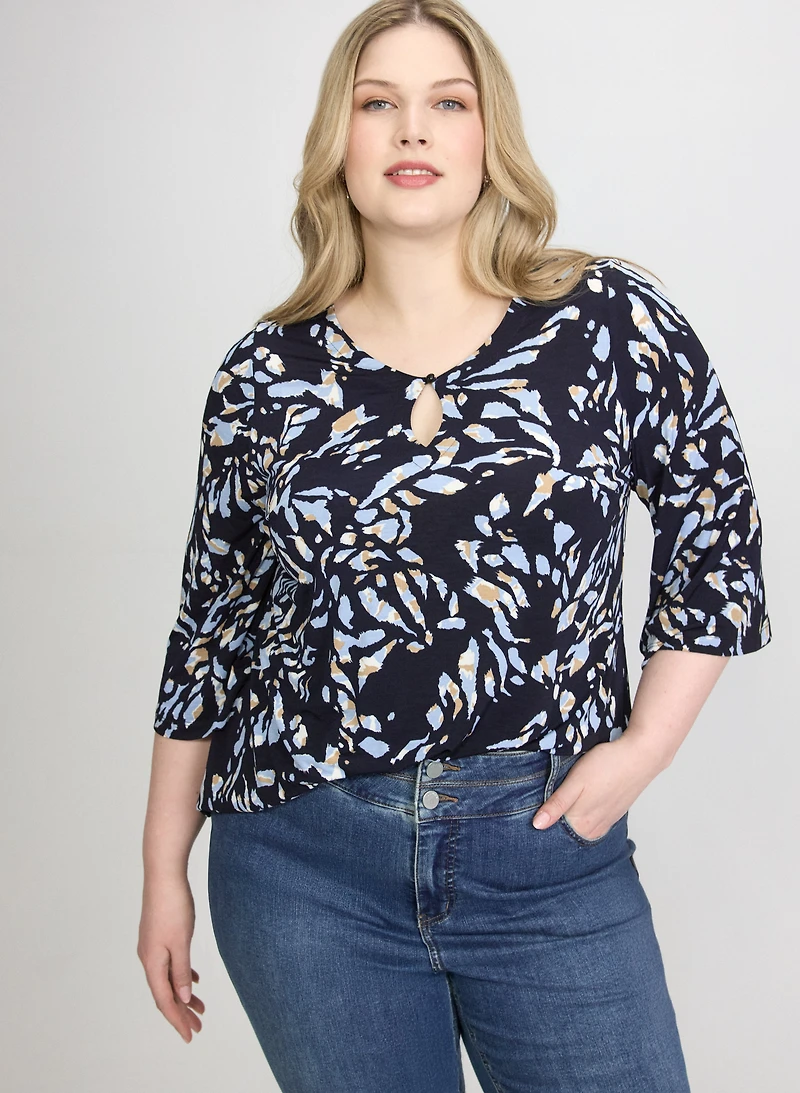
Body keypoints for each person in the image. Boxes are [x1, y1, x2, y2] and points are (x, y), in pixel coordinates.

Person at [137, 2, 771, 1090]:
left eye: (447, 102)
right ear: (337, 141)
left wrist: (644, 748)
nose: (412, 129)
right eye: (376, 103)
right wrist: (162, 871)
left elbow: (715, 524)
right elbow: (213, 626)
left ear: (490, 136)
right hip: (304, 866)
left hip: (547, 854)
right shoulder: (265, 372)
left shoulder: (606, 322)